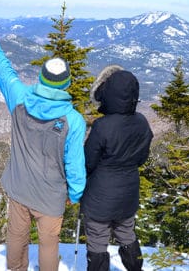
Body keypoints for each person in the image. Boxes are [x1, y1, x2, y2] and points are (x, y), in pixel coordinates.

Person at [0, 19, 87, 271]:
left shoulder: (19, 98)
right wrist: (75, 193)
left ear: (41, 78)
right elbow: (75, 163)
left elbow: (0, 66)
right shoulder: (73, 120)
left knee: (16, 237)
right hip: (51, 195)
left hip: (19, 187)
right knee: (49, 245)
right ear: (67, 83)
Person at [80, 65, 153, 271]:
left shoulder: (103, 125)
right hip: (128, 191)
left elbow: (88, 161)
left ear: (108, 93)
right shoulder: (142, 122)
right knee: (127, 234)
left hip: (100, 196)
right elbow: (142, 158)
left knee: (97, 239)